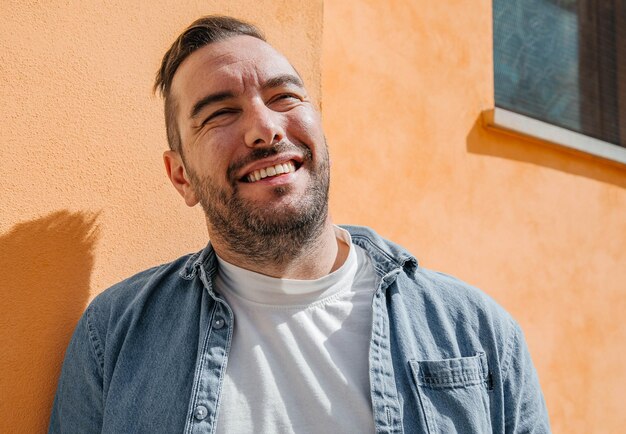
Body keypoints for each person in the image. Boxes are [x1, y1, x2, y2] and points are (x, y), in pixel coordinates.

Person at [49, 15, 551, 433]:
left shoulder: (477, 332)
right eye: (220, 112)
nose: (265, 128)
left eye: (284, 97)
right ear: (181, 176)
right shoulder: (114, 335)